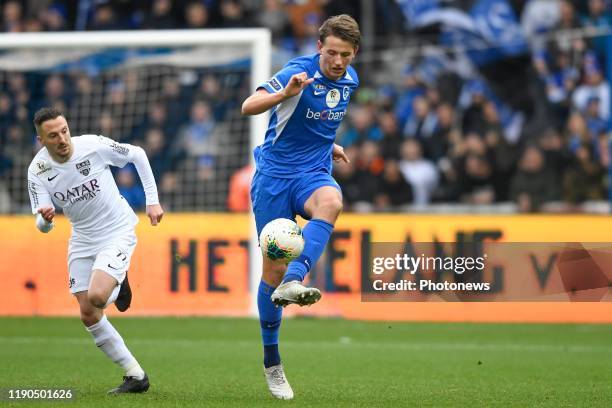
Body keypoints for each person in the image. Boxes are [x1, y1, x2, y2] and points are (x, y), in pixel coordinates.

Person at [241, 14, 360, 400]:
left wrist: (331, 145)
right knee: (269, 275)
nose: (337, 61)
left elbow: (320, 123)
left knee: (333, 200)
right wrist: (285, 93)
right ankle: (272, 363)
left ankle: (297, 277)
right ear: (318, 48)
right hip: (274, 179)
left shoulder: (351, 81)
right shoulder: (299, 72)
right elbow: (249, 105)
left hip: (312, 173)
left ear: (354, 53)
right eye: (331, 53)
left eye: (345, 54)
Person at [27, 107, 164, 394]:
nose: (62, 139)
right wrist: (46, 219)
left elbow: (137, 154)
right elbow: (40, 223)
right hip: (82, 239)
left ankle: (119, 281)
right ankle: (136, 375)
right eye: (53, 135)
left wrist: (152, 200)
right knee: (88, 313)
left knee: (98, 295)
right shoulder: (37, 171)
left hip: (117, 230)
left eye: (64, 130)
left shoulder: (93, 146)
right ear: (41, 140)